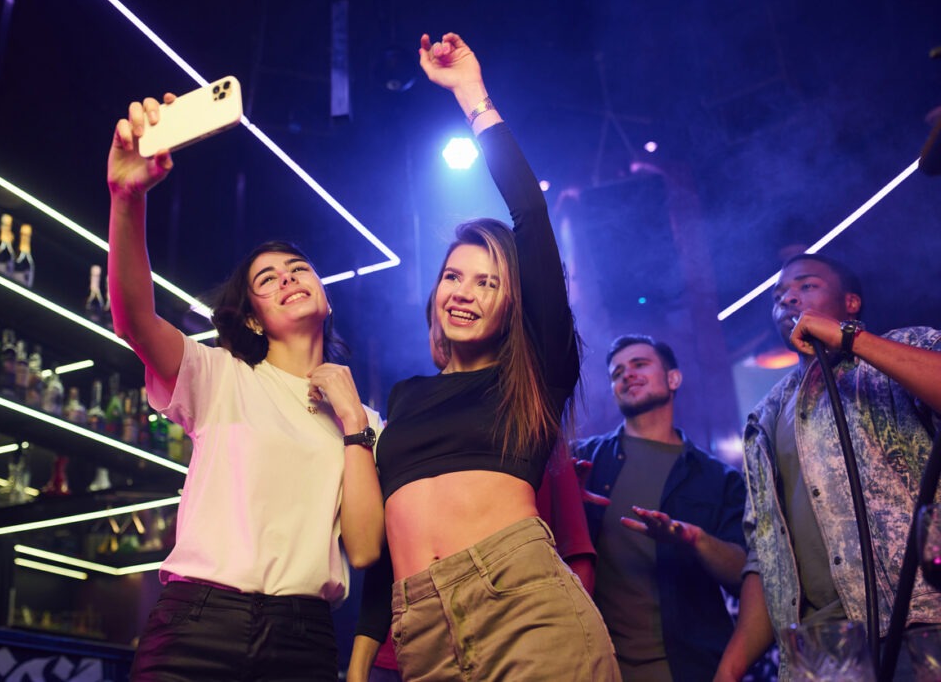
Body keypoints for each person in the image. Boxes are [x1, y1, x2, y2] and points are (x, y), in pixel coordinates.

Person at [350, 32, 619, 681]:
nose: (463, 292)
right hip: (420, 625)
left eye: (487, 281)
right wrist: (358, 664)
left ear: (512, 303)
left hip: (523, 604)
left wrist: (471, 95)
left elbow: (529, 212)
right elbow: (382, 546)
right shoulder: (405, 396)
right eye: (453, 276)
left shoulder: (534, 377)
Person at [107, 92, 384, 680]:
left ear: (325, 295)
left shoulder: (365, 421)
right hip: (197, 624)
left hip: (304, 635)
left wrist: (355, 424)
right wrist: (126, 200)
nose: (287, 279)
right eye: (267, 279)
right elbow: (132, 317)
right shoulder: (219, 374)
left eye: (298, 271)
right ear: (252, 317)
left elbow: (363, 550)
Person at [713, 253, 941, 681]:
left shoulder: (904, 349)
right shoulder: (763, 420)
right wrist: (730, 667)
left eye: (806, 285)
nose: (788, 298)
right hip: (821, 652)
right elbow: (769, 555)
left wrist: (850, 339)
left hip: (921, 625)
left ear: (851, 302)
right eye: (779, 295)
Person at [573, 334, 747, 682]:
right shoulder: (583, 461)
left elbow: (745, 576)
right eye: (617, 372)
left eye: (640, 364)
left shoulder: (717, 478)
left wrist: (694, 539)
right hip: (598, 667)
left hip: (689, 668)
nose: (627, 375)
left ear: (673, 379)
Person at [348, 450, 598, 681]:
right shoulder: (406, 432)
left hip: (512, 646)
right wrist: (359, 663)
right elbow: (385, 554)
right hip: (402, 646)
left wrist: (562, 648)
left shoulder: (535, 433)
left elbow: (577, 554)